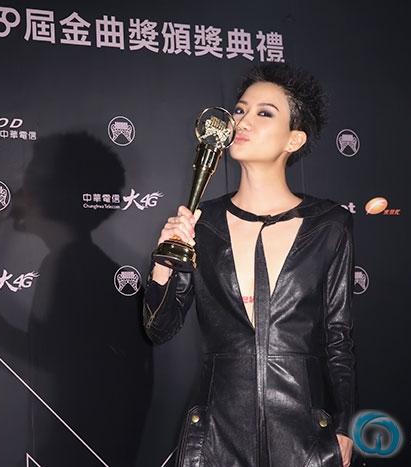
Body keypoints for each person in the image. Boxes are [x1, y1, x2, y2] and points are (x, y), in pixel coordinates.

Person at [143, 62, 357, 467]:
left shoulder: (329, 225)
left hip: (304, 436)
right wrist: (165, 261)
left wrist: (345, 427)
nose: (242, 121)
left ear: (294, 139)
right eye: (240, 110)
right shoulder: (203, 223)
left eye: (264, 113)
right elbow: (159, 327)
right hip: (218, 435)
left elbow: (338, 337)